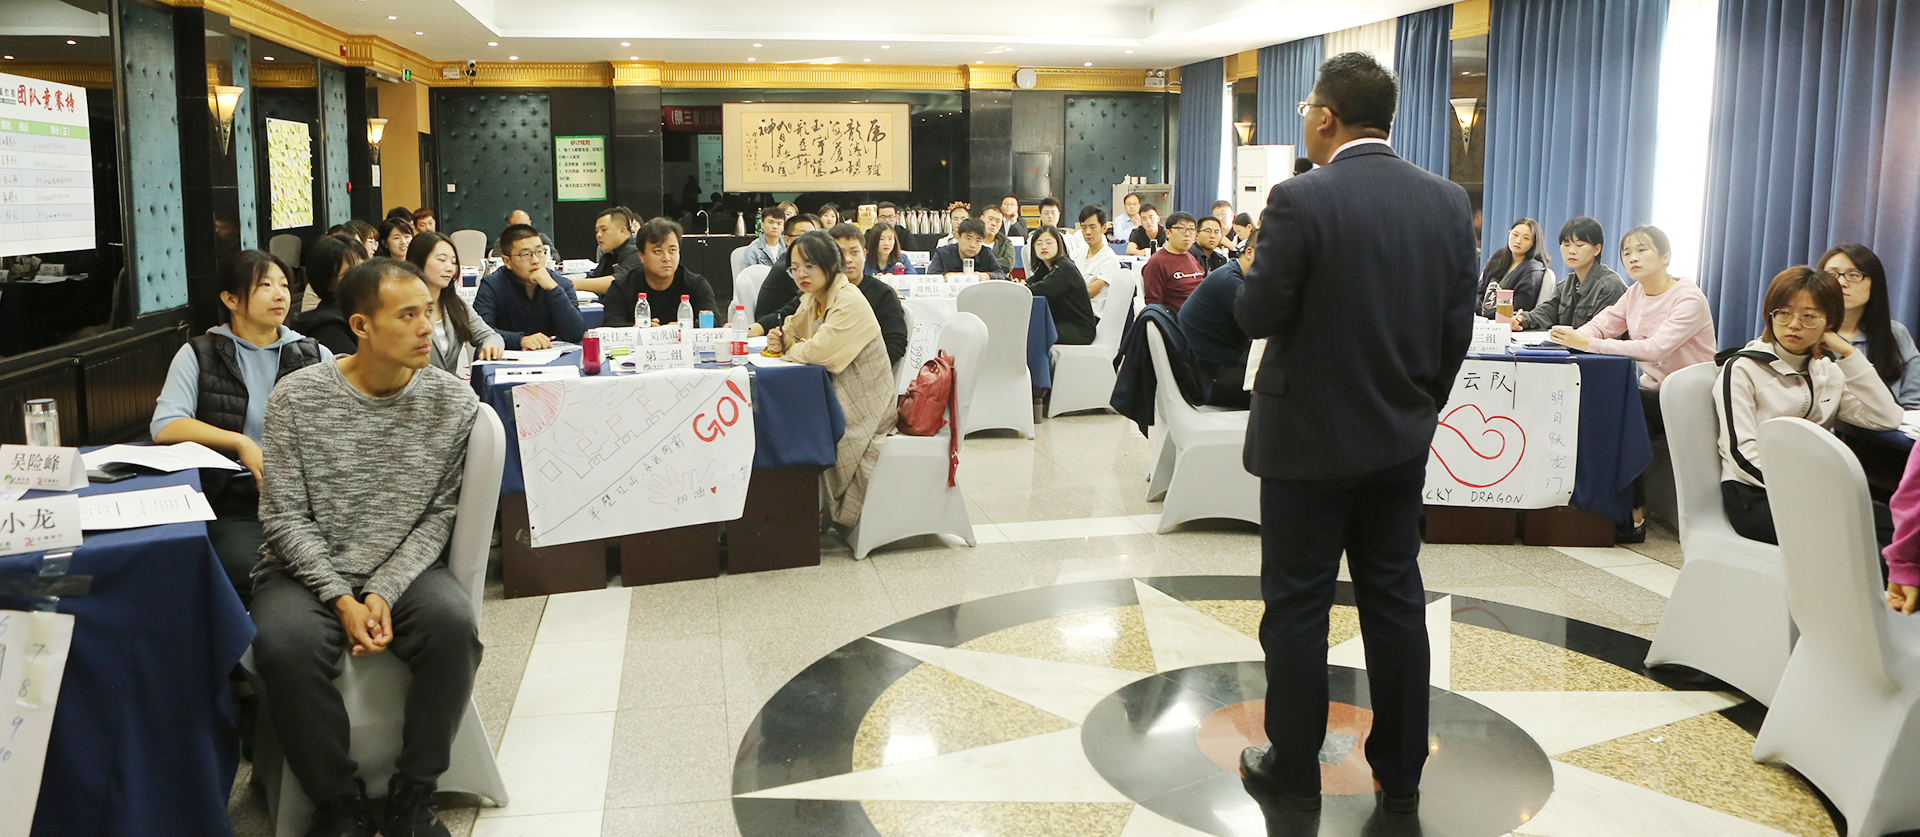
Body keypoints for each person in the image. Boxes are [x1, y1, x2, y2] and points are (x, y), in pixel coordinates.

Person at [1235, 52, 1477, 817]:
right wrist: (1419, 407)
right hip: (1398, 438)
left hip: (1304, 442)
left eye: (1307, 109)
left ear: (1325, 117)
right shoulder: (1446, 201)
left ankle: (1293, 764)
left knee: (1298, 606)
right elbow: (1457, 329)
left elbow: (1256, 314)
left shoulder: (1300, 198)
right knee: (1396, 601)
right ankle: (1401, 769)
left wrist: (1249, 269)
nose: (1305, 120)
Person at [250, 257, 484, 837]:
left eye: (428, 312)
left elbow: (438, 516)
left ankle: (414, 794)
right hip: (303, 572)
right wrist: (340, 598)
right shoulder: (298, 397)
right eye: (407, 316)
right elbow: (282, 517)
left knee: (454, 627)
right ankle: (337, 803)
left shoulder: (452, 402)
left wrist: (381, 590)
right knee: (285, 646)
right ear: (361, 325)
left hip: (404, 568)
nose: (426, 327)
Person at [152, 251, 330, 602]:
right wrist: (240, 442)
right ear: (231, 299)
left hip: (309, 499)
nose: (280, 295)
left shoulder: (314, 355)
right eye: (265, 285)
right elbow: (166, 425)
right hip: (237, 500)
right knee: (250, 572)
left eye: (284, 285)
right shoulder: (200, 354)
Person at [1550, 224, 1717, 541]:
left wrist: (1588, 344)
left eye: (1642, 250)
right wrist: (1572, 338)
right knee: (1615, 405)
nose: (1633, 258)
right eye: (1627, 252)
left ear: (1665, 257)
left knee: (1623, 409)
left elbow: (1653, 348)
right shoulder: (1635, 292)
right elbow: (1602, 325)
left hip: (1690, 398)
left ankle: (1634, 513)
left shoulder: (1687, 298)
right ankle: (1604, 504)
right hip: (1656, 394)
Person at [1716, 266, 1900, 546]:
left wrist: (1848, 352)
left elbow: (1886, 417)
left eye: (1810, 316)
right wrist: (1805, 490)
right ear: (1770, 315)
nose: (1793, 324)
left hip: (1815, 489)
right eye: (1783, 313)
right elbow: (1740, 453)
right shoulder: (1743, 368)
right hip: (1755, 494)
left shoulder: (1827, 371)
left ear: (1830, 323)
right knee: (1859, 543)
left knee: (1901, 532)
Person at [765, 231, 894, 530]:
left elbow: (821, 353)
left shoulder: (847, 298)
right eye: (794, 268)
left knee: (793, 423)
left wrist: (789, 349)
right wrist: (781, 338)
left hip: (864, 401)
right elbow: (792, 330)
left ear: (830, 265)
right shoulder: (814, 297)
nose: (801, 274)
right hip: (833, 389)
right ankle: (784, 510)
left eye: (809, 266)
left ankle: (799, 515)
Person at [1823, 243, 1920, 408]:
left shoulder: (1895, 333)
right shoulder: (1805, 331)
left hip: (1889, 422)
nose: (1841, 282)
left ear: (1874, 284)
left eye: (1853, 275)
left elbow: (1914, 402)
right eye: (1831, 274)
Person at [1179, 226, 1258, 408]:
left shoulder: (1235, 274)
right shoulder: (1230, 282)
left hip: (1210, 367)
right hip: (1208, 379)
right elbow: (1262, 325)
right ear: (1249, 252)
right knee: (1283, 386)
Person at [406, 232, 504, 374]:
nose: (449, 268)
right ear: (417, 261)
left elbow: (490, 335)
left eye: (453, 262)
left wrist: (491, 347)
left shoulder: (455, 304)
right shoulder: (401, 307)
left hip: (451, 386)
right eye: (441, 260)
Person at [475, 225, 584, 350]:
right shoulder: (492, 285)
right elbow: (481, 332)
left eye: (540, 252)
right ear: (507, 261)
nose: (536, 260)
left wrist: (553, 289)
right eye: (526, 254)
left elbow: (576, 333)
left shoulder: (561, 284)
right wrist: (520, 340)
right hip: (507, 357)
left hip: (551, 355)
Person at [1514, 217, 1626, 332]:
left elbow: (1603, 331)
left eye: (1579, 245)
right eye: (1566, 245)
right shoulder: (1566, 284)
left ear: (1597, 249)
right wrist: (1521, 319)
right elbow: (1545, 313)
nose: (1571, 251)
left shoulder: (1610, 286)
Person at [604, 218, 716, 328]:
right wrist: (638, 329)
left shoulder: (696, 285)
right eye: (658, 251)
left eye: (672, 250)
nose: (667, 258)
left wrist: (681, 327)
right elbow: (612, 325)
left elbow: (714, 322)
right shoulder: (621, 287)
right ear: (641, 256)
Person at [1023, 225, 1099, 346]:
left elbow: (1041, 289)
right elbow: (1032, 282)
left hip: (1078, 329)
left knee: (1034, 333)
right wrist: (1022, 284)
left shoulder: (1064, 267)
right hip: (1061, 322)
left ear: (1059, 244)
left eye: (1049, 243)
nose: (1044, 247)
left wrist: (1022, 288)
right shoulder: (1045, 267)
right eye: (1039, 243)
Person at [292, 234, 367, 352]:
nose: (364, 276)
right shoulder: (329, 328)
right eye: (351, 272)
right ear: (328, 281)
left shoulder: (363, 309)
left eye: (364, 268)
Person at [751, 214, 821, 333]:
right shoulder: (788, 268)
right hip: (773, 326)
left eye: (813, 236)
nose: (810, 242)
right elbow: (795, 307)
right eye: (803, 236)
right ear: (787, 240)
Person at [1475, 218, 1548, 319]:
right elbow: (1479, 291)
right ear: (1509, 233)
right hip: (1482, 320)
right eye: (1515, 235)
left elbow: (1520, 306)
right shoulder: (1498, 257)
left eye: (1526, 238)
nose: (1518, 241)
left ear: (1534, 242)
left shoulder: (1533, 270)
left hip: (1506, 322)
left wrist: (1485, 314)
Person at [1140, 211, 1205, 311]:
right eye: (1181, 228)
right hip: (1179, 317)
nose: (1187, 234)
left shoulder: (1192, 258)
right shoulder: (1157, 262)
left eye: (1191, 229)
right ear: (1168, 233)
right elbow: (1153, 304)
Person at [581, 206, 639, 297]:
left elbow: (618, 282)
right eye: (597, 231)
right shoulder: (609, 255)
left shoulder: (636, 251)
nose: (598, 235)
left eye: (604, 230)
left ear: (622, 231)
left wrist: (574, 284)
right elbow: (593, 278)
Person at [1076, 205, 1123, 316]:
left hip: (1091, 316)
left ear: (1104, 228)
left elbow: (1091, 291)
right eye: (1084, 227)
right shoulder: (1075, 255)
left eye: (1092, 227)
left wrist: (1070, 284)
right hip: (1071, 311)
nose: (1088, 232)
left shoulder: (1109, 259)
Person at [927, 218, 1007, 279]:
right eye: (968, 238)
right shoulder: (942, 253)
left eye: (978, 240)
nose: (973, 245)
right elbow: (931, 275)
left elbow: (1000, 274)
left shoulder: (986, 253)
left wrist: (986, 276)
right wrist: (948, 276)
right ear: (958, 237)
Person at [980, 206, 1016, 271]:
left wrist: (983, 262)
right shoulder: (972, 240)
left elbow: (1008, 264)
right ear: (981, 218)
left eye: (998, 221)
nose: (993, 224)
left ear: (1001, 225)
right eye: (990, 219)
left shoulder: (1005, 243)